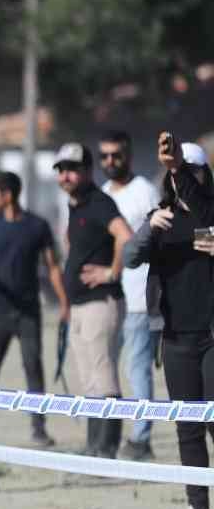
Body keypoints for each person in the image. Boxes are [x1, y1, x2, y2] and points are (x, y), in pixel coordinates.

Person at [123, 136, 214, 509]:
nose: (182, 180)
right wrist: (149, 228)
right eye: (177, 173)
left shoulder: (212, 214)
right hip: (175, 336)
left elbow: (206, 224)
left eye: (190, 172)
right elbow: (129, 257)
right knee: (187, 424)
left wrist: (178, 168)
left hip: (212, 335)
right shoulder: (160, 218)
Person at [54, 141, 135, 458]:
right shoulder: (75, 207)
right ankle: (93, 448)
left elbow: (125, 235)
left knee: (104, 378)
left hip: (102, 302)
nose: (66, 176)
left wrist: (112, 272)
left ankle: (106, 449)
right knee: (88, 381)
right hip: (80, 306)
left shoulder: (99, 202)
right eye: (61, 170)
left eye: (72, 170)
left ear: (87, 171)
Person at [0, 170, 67, 448]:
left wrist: (65, 302)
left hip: (28, 312)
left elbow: (52, 267)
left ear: (7, 195)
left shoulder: (37, 226)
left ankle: (38, 429)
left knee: (33, 368)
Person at [98, 131, 161, 460]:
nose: (110, 162)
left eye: (116, 155)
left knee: (137, 368)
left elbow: (159, 240)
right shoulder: (103, 193)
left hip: (138, 297)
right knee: (106, 367)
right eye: (104, 156)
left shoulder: (145, 192)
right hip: (108, 297)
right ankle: (105, 435)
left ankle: (141, 437)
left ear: (129, 156)